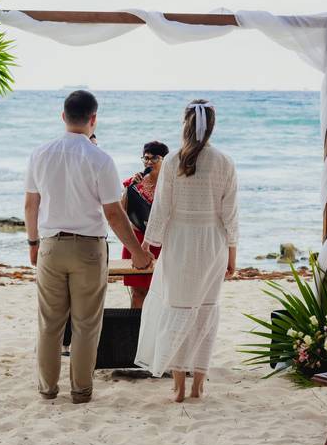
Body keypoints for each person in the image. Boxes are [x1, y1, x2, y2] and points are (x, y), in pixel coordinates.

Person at [24, 90, 154, 404]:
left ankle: (48, 388)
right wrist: (137, 252)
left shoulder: (40, 153)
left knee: (50, 324)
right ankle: (81, 390)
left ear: (63, 116)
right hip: (89, 249)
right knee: (85, 325)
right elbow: (113, 213)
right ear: (93, 119)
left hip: (51, 246)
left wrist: (33, 242)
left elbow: (31, 204)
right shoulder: (100, 158)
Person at [134, 100, 238, 402]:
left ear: (185, 124)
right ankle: (198, 386)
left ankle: (178, 386)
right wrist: (232, 254)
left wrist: (147, 245)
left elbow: (161, 210)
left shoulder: (172, 161)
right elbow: (230, 214)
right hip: (213, 245)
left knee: (178, 311)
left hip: (180, 243)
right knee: (205, 313)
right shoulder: (224, 162)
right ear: (212, 126)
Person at [120, 141, 170, 309]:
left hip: (161, 242)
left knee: (162, 293)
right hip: (136, 241)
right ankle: (135, 332)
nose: (149, 162)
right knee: (138, 293)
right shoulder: (134, 182)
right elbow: (120, 211)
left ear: (165, 160)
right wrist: (130, 187)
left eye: (154, 158)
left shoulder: (171, 185)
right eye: (146, 158)